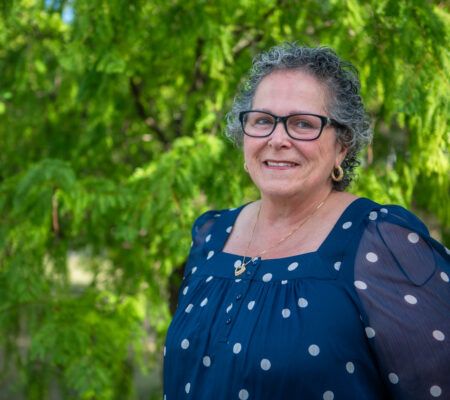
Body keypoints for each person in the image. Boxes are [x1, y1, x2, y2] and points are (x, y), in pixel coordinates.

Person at [163, 43, 450, 399]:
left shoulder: (381, 242)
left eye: (302, 123)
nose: (278, 139)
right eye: (263, 121)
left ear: (342, 145)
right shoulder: (210, 237)